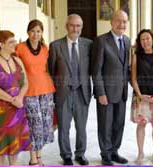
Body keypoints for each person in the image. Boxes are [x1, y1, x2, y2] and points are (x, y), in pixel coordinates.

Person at [48, 14, 93, 166]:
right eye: (72, 25)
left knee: (81, 127)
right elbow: (52, 70)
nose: (75, 28)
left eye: (78, 26)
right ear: (66, 26)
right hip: (63, 93)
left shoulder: (89, 45)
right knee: (64, 127)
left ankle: (80, 154)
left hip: (82, 91)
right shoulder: (55, 45)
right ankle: (66, 155)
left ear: (81, 27)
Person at [0, 30, 31, 165]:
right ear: (1, 44)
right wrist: (12, 100)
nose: (15, 44)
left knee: (14, 141)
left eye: (14, 41)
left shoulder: (17, 60)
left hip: (18, 108)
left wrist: (19, 98)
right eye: (11, 42)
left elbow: (26, 82)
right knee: (0, 143)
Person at [92, 10, 131, 166]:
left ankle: (114, 151)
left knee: (118, 124)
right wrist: (100, 92)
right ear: (111, 22)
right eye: (118, 21)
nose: (121, 24)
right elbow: (96, 70)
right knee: (105, 125)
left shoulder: (127, 41)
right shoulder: (101, 41)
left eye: (124, 21)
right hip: (106, 93)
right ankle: (106, 154)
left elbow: (125, 67)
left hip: (121, 92)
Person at [15, 19, 56, 166]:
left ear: (42, 33)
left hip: (46, 89)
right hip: (28, 90)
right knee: (34, 124)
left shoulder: (45, 48)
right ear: (28, 32)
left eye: (38, 31)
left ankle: (39, 157)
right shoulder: (19, 48)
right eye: (33, 31)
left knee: (44, 124)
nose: (35, 34)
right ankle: (32, 159)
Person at [131, 29, 153, 165]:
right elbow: (133, 78)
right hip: (141, 95)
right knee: (141, 124)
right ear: (139, 42)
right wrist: (140, 95)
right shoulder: (136, 56)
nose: (145, 42)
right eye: (142, 40)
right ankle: (140, 154)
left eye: (147, 38)